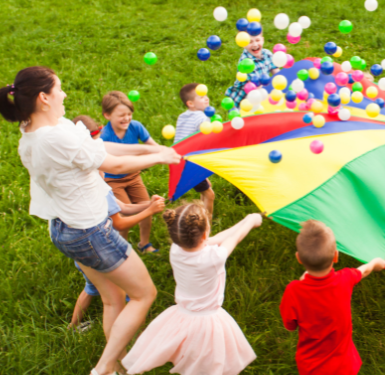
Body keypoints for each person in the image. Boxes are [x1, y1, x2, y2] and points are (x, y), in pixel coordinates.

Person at [0, 66, 180, 375]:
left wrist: (152, 148)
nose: (65, 94)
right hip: (90, 232)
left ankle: (117, 370)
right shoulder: (54, 137)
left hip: (65, 229)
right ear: (44, 97)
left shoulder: (35, 130)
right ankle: (104, 368)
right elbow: (115, 164)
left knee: (113, 301)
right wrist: (160, 157)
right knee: (144, 294)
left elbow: (100, 148)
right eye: (59, 89)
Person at [122, 202, 260, 375]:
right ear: (203, 234)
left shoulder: (176, 250)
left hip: (182, 315)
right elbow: (234, 238)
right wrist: (251, 220)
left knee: (190, 354)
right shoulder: (213, 258)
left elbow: (216, 239)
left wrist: (244, 221)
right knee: (209, 363)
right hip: (208, 321)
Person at [280, 220, 385, 374]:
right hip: (345, 366)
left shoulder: (294, 291)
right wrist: (376, 262)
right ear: (336, 256)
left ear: (299, 258)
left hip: (311, 367)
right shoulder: (345, 279)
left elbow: (289, 325)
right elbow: (363, 271)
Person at [70, 192, 166, 330]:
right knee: (131, 295)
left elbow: (124, 207)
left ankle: (73, 327)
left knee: (91, 288)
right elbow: (120, 224)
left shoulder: (93, 186)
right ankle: (136, 334)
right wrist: (150, 211)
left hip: (83, 249)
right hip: (103, 250)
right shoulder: (96, 188)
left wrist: (150, 204)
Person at [100, 91, 160, 254]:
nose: (126, 118)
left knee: (146, 209)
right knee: (124, 218)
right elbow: (109, 163)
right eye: (121, 115)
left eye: (129, 114)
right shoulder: (104, 136)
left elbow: (153, 146)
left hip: (133, 177)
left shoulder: (136, 127)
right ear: (107, 115)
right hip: (113, 181)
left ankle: (144, 244)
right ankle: (122, 249)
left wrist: (164, 153)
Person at [174, 83, 216, 219]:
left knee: (206, 186)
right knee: (210, 195)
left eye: (206, 95)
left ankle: (201, 213)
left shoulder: (182, 116)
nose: (206, 99)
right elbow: (208, 139)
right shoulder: (202, 118)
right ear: (190, 103)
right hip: (190, 163)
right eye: (201, 96)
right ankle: (206, 224)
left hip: (179, 159)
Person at [225, 33, 279, 106]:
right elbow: (255, 87)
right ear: (244, 44)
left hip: (261, 92)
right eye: (250, 42)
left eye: (257, 40)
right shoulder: (245, 62)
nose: (255, 44)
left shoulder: (267, 53)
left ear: (262, 40)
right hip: (244, 100)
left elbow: (277, 74)